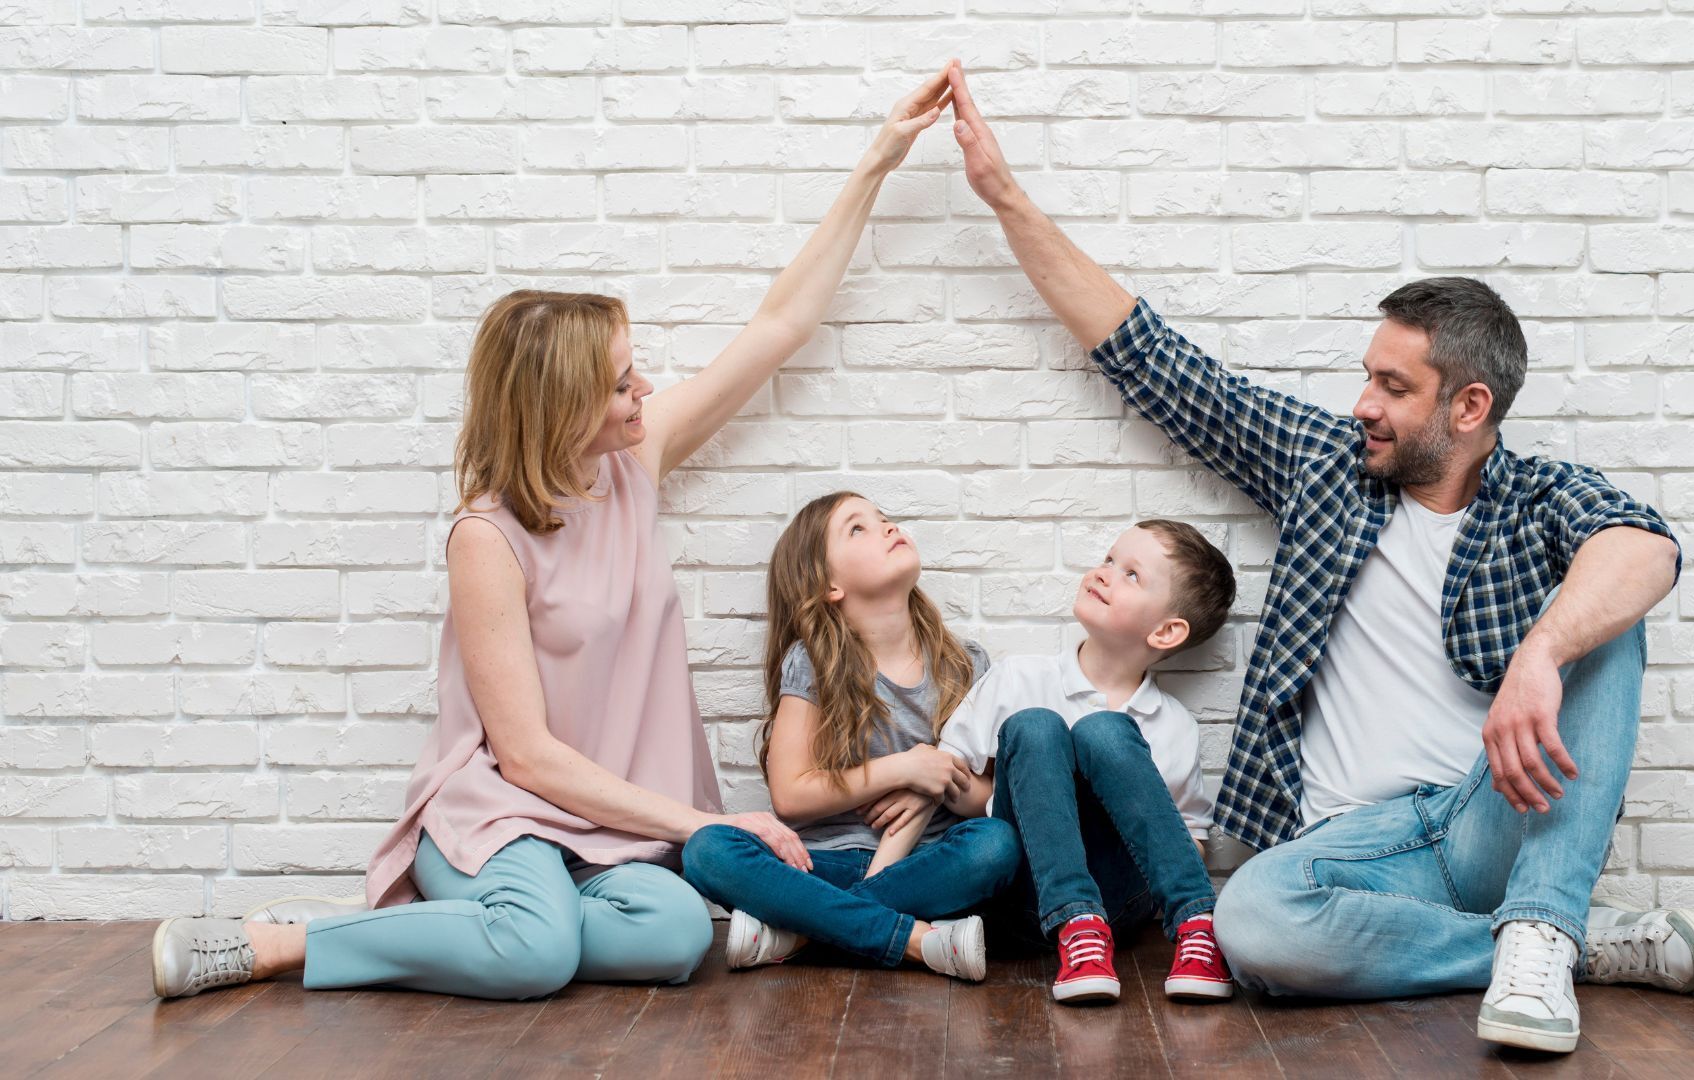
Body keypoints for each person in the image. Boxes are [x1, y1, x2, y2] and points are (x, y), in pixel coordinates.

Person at [940, 62, 1694, 1054]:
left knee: (1611, 615)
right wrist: (1005, 198)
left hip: (1488, 817)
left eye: (1393, 387)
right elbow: (1155, 360)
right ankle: (1551, 940)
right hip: (1351, 851)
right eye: (1366, 377)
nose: (1364, 404)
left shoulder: (1534, 499)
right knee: (1251, 924)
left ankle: (1537, 918)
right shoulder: (1326, 467)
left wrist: (1540, 653)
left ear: (1468, 408)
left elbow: (1647, 549)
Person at [148, 65, 959, 1002]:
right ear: (559, 405)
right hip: (508, 814)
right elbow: (526, 755)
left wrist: (877, 163)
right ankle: (293, 941)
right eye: (621, 382)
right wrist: (701, 826)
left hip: (614, 823)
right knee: (536, 956)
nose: (644, 392)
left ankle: (501, 930)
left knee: (668, 938)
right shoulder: (486, 539)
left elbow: (778, 325)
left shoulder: (634, 463)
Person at [679, 493, 1021, 981]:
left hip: (927, 865)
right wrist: (903, 767)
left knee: (996, 845)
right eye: (858, 529)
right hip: (826, 865)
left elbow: (989, 800)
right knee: (707, 848)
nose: (886, 527)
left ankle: (802, 934)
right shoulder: (812, 663)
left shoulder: (966, 664)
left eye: (883, 518)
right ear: (828, 585)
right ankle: (916, 940)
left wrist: (943, 777)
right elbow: (791, 797)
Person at [936, 520, 1237, 1004]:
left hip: (1120, 901)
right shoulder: (1019, 678)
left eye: (1132, 575)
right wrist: (1029, 797)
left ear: (1165, 631)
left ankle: (1197, 926)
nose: (1105, 573)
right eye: (1109, 560)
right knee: (1036, 725)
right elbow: (949, 774)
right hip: (1025, 897)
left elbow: (1193, 841)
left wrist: (1130, 814)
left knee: (1104, 731)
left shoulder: (1173, 724)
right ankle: (1076, 923)